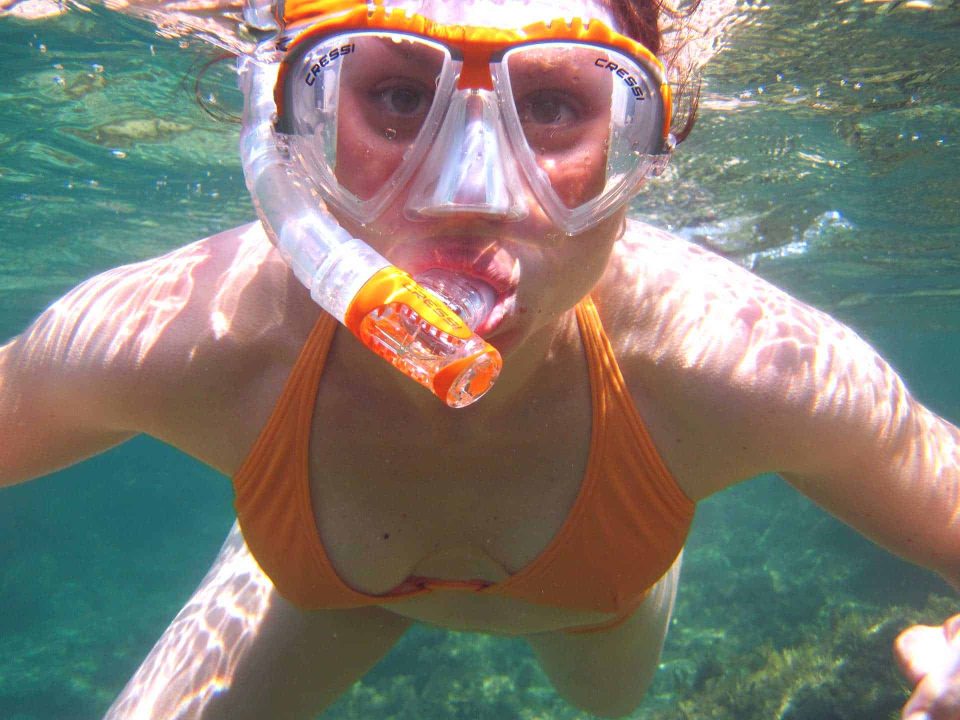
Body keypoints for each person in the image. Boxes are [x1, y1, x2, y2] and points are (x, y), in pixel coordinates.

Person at [1, 0, 958, 718]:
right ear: (286, 131)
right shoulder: (186, 338)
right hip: (325, 589)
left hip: (593, 606)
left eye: (550, 104)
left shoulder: (737, 366)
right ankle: (279, 542)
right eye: (399, 95)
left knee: (604, 708)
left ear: (645, 148)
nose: (471, 193)